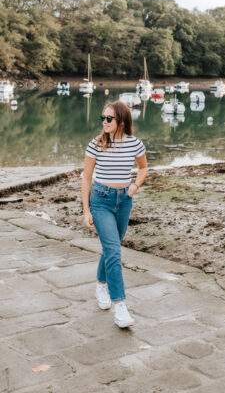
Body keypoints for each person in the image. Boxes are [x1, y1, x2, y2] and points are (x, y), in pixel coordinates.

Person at [82, 100, 147, 328]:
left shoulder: (134, 144)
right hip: (100, 201)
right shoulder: (96, 144)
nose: (105, 122)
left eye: (109, 118)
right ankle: (120, 307)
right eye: (103, 118)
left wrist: (134, 187)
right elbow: (87, 178)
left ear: (121, 120)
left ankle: (101, 285)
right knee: (114, 251)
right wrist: (86, 210)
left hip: (124, 201)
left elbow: (143, 168)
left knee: (112, 247)